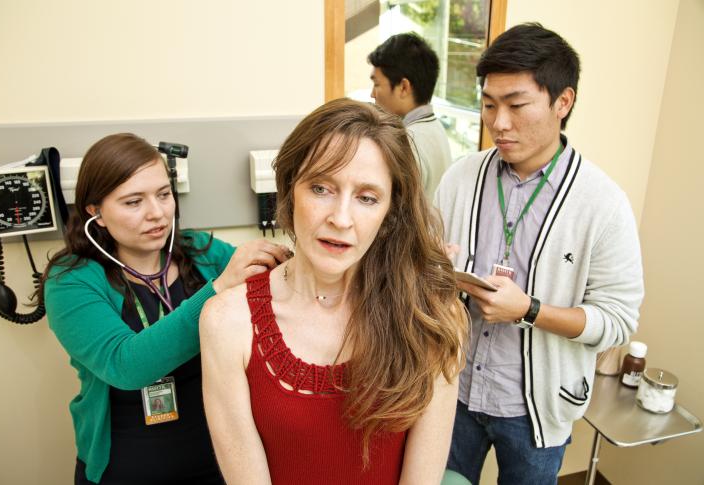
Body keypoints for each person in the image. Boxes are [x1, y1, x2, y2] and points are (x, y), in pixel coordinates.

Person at [200, 98, 468, 485]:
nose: (340, 219)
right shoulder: (227, 322)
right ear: (290, 191)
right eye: (322, 188)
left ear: (391, 213)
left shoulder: (432, 316)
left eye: (366, 198)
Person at [435, 23, 644, 484]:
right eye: (489, 105)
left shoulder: (603, 204)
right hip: (454, 388)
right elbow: (426, 267)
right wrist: (435, 270)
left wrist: (528, 309)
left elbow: (617, 320)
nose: (498, 122)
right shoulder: (459, 178)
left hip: (534, 411)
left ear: (562, 102)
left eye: (516, 105)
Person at [41, 133, 289, 484]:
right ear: (95, 212)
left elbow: (275, 291)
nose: (157, 213)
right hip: (124, 470)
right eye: (133, 202)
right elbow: (125, 365)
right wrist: (217, 289)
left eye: (163, 195)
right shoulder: (71, 282)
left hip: (219, 463)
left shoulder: (202, 252)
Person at [368, 32, 452, 198]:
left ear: (404, 87)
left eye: (377, 84)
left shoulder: (407, 142)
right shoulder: (435, 128)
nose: (372, 94)